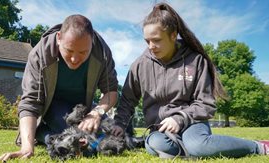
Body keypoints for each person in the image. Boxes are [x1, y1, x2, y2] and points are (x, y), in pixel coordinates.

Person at [112, 2, 269, 158]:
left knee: (197, 145)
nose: (151, 46)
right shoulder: (140, 65)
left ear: (173, 35)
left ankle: (258, 146)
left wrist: (179, 118)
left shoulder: (196, 60)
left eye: (157, 40)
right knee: (157, 145)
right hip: (160, 129)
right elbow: (127, 100)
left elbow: (206, 104)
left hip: (193, 123)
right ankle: (193, 152)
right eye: (147, 41)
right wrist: (120, 124)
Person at [0, 14, 118, 161]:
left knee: (110, 134)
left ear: (91, 42)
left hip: (83, 108)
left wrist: (96, 113)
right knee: (74, 137)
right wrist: (27, 148)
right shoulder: (39, 55)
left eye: (83, 52)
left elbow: (111, 92)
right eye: (69, 50)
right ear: (59, 38)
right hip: (51, 107)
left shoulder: (103, 53)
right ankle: (42, 134)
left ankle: (46, 133)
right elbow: (30, 102)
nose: (74, 59)